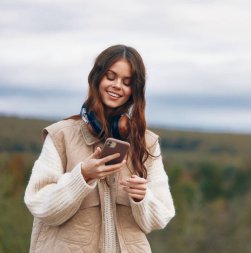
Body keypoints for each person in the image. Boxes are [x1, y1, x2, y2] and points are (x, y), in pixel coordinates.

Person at [24, 45, 175, 253]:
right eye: (110, 77)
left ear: (135, 90)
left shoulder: (146, 142)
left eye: (127, 82)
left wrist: (142, 197)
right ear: (97, 78)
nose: (117, 86)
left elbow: (161, 217)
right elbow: (40, 205)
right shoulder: (61, 136)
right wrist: (83, 176)